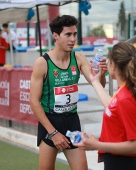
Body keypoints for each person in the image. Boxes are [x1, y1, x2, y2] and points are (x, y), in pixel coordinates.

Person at [30, 15, 107, 170]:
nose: (73, 39)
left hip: (72, 121)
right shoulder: (42, 63)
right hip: (50, 123)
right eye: (68, 34)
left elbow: (97, 84)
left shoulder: (78, 58)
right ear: (55, 36)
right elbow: (33, 101)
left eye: (74, 34)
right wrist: (53, 133)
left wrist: (101, 74)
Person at [74, 42, 136, 170]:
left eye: (108, 61)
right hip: (121, 161)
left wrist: (98, 145)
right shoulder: (125, 89)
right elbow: (112, 106)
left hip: (122, 163)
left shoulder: (126, 98)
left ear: (113, 65)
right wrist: (95, 80)